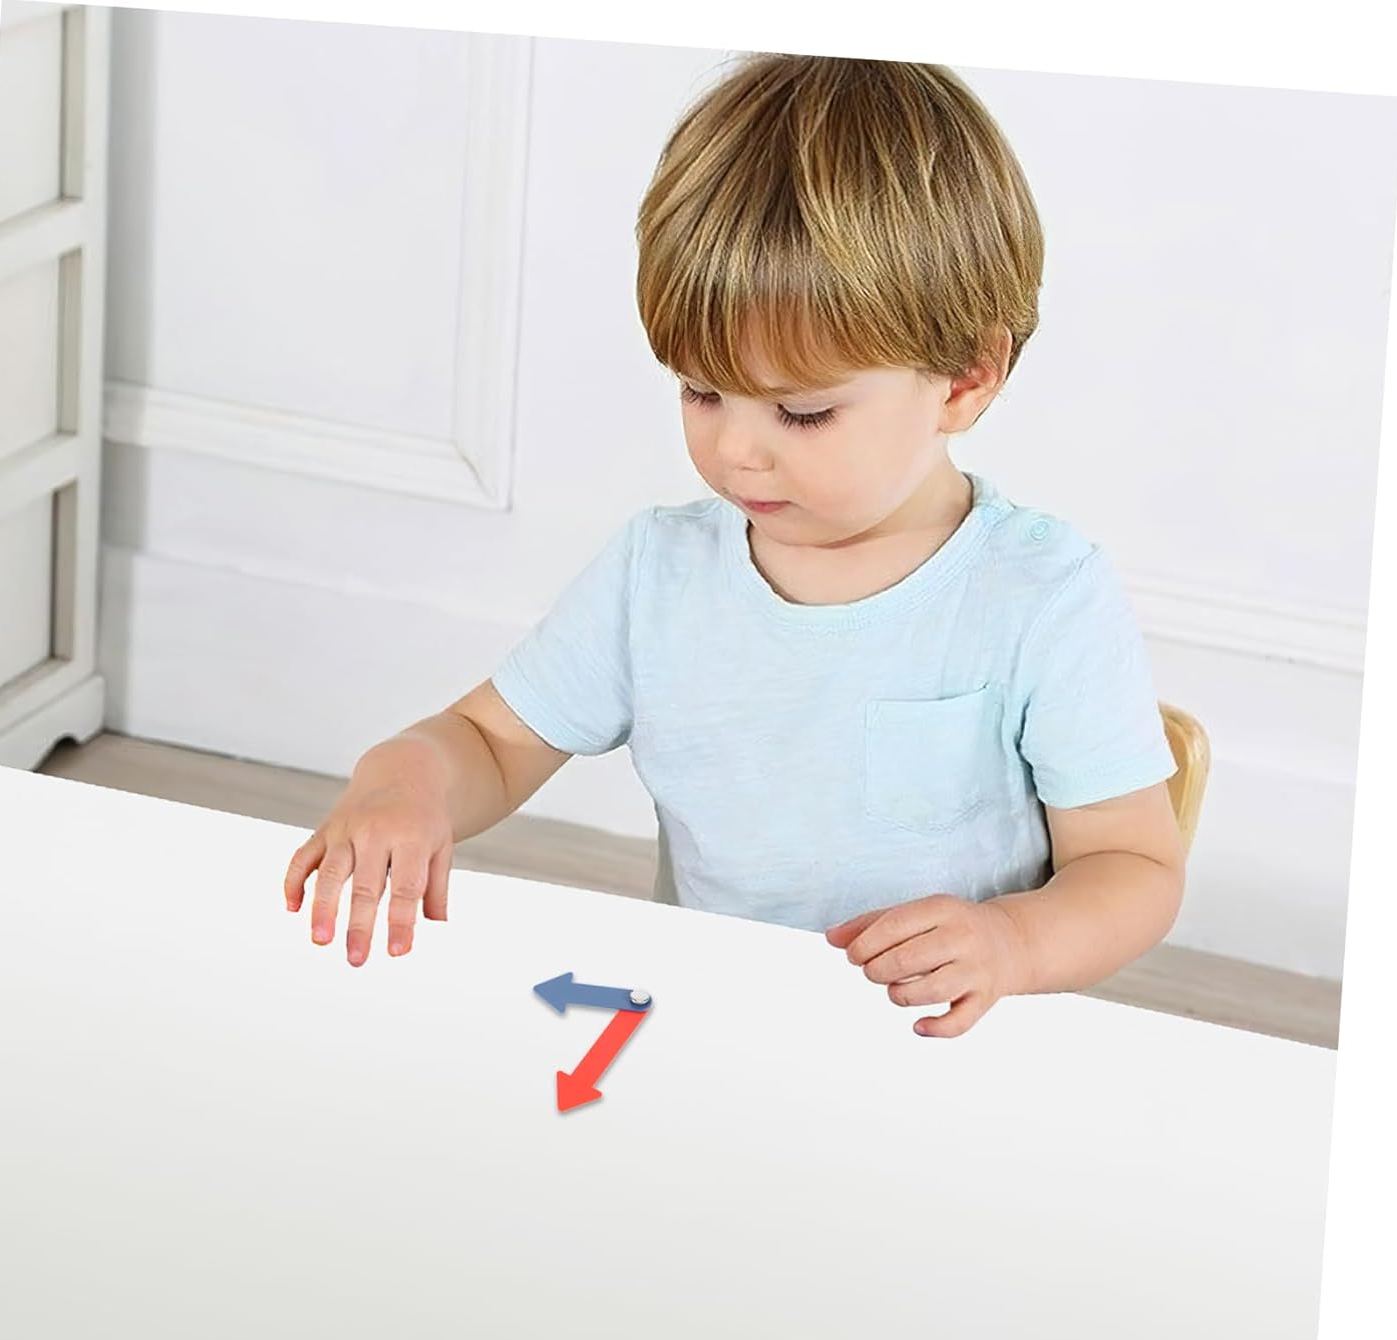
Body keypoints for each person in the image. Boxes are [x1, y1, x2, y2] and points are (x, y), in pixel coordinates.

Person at [284, 53, 1185, 1039]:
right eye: (701, 391)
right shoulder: (658, 576)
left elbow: (1132, 866)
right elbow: (492, 743)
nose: (735, 451)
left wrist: (1012, 942)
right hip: (715, 1034)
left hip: (942, 1049)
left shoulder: (1039, 596)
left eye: (802, 412)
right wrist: (405, 781)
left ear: (965, 381)